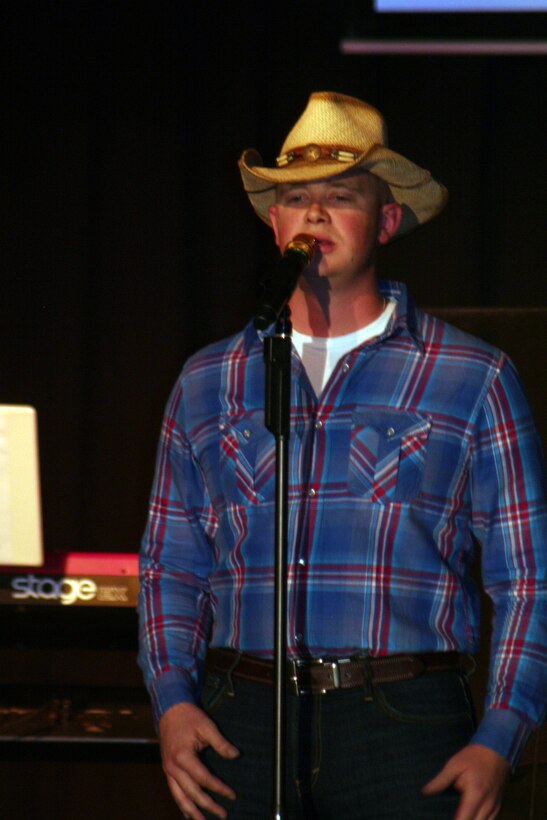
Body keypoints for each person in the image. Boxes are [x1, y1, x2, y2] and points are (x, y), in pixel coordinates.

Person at [138, 91, 546, 819]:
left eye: (341, 195)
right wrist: (171, 698)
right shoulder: (209, 380)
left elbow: (529, 579)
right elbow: (171, 566)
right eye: (296, 197)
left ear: (386, 220)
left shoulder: (471, 376)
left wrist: (500, 731)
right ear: (275, 224)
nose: (315, 213)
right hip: (241, 718)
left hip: (402, 721)